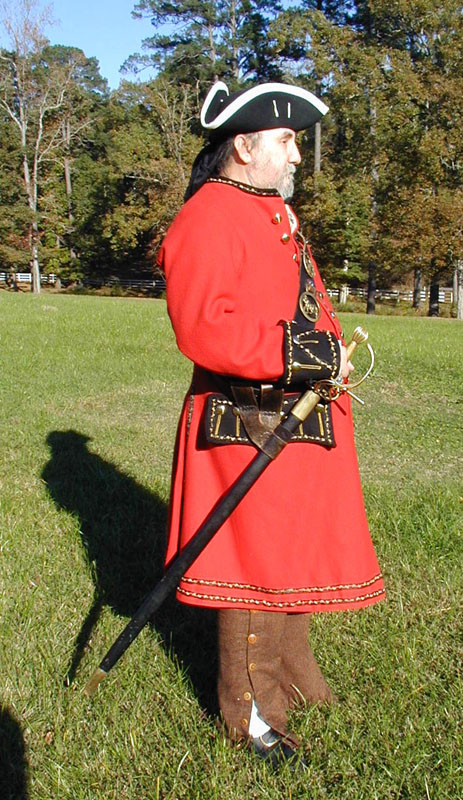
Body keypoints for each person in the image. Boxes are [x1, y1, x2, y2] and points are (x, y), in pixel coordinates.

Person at [157, 81, 385, 767]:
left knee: (287, 554)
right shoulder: (209, 215)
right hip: (243, 420)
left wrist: (327, 358)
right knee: (253, 567)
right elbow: (204, 328)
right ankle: (250, 710)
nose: (296, 156)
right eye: (285, 141)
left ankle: (292, 676)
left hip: (290, 414)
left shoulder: (267, 212)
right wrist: (303, 354)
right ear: (244, 145)